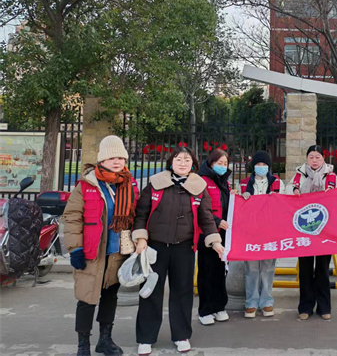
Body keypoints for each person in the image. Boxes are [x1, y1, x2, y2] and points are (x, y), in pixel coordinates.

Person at [132, 147, 224, 355]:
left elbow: (206, 218)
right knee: (150, 292)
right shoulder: (155, 184)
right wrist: (141, 238)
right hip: (155, 247)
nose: (183, 163)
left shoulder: (198, 187)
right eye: (178, 159)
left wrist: (215, 242)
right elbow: (141, 214)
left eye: (187, 160)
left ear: (193, 164)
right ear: (171, 162)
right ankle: (146, 338)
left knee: (182, 292)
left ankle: (181, 335)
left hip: (184, 248)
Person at [63, 135, 140, 356]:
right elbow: (72, 218)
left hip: (117, 253)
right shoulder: (86, 185)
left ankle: (105, 340)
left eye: (121, 158)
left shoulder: (129, 185)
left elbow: (136, 216)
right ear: (102, 160)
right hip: (91, 253)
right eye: (112, 158)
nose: (117, 162)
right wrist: (75, 248)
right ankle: (83, 345)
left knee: (110, 297)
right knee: (87, 299)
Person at [287, 145, 337, 320]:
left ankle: (324, 307)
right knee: (305, 268)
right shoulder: (298, 176)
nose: (315, 160)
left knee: (323, 269)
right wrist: (294, 191)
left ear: (323, 158)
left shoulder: (332, 176)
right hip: (304, 230)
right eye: (311, 157)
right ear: (307, 159)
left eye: (318, 157)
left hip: (325, 230)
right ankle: (305, 307)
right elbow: (287, 192)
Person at [240, 150, 284, 318]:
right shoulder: (244, 184)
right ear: (253, 166)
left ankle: (266, 302)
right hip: (250, 231)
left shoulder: (277, 183)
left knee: (267, 268)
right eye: (258, 164)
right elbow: (237, 206)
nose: (261, 167)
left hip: (270, 231)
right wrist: (242, 198)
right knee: (251, 268)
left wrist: (277, 199)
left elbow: (285, 205)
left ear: (269, 166)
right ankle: (251, 302)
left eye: (264, 164)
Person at [196, 149, 231, 325]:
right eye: (219, 163)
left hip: (223, 234)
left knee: (220, 271)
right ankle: (205, 310)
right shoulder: (202, 181)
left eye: (225, 163)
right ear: (211, 163)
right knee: (206, 272)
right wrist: (216, 221)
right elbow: (200, 208)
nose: (223, 166)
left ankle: (219, 307)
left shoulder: (224, 182)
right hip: (207, 233)